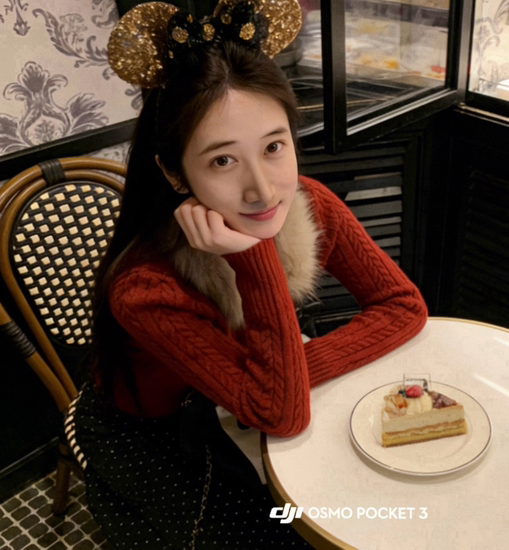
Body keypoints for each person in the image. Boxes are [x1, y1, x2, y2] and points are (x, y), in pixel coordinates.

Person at [67, 1, 428, 548]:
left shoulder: (310, 203)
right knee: (277, 535)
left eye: (274, 147)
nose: (263, 190)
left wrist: (291, 371)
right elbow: (279, 413)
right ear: (174, 173)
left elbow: (403, 306)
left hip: (244, 392)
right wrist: (255, 259)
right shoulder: (145, 289)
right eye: (223, 160)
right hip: (157, 431)